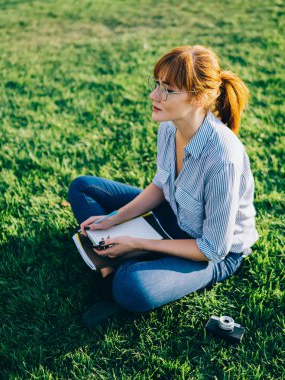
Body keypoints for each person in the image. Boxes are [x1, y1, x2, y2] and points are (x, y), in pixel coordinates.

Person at [68, 45, 259, 328]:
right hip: (173, 215)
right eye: (157, 84)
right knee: (83, 187)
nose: (154, 95)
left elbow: (213, 248)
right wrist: (113, 219)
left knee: (131, 288)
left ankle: (121, 270)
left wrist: (138, 242)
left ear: (199, 98)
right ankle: (113, 269)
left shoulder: (223, 159)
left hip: (215, 253)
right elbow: (161, 185)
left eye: (168, 90)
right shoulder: (170, 126)